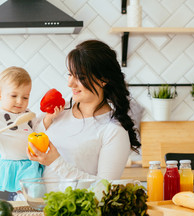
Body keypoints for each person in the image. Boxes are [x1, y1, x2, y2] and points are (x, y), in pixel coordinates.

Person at [27, 40, 141, 181]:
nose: (70, 83)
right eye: (69, 74)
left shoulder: (114, 130)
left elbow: (105, 189)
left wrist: (55, 162)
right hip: (35, 202)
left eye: (80, 77)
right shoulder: (59, 109)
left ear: (103, 79)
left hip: (73, 204)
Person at [0, 66, 59, 194]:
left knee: (37, 193)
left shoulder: (28, 114)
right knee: (19, 195)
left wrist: (48, 119)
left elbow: (37, 132)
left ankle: (31, 213)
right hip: (11, 164)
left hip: (30, 164)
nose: (20, 102)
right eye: (14, 96)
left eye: (25, 97)